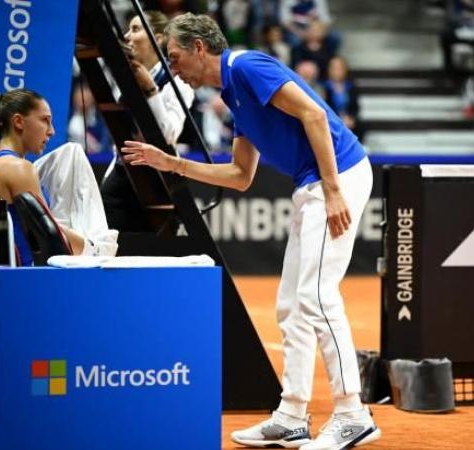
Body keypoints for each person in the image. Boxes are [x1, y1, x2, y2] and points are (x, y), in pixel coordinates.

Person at [121, 12, 380, 450]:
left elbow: (315, 115)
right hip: (312, 185)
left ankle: (353, 413)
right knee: (290, 306)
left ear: (200, 48)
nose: (173, 66)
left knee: (317, 296)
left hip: (338, 177)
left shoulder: (246, 67)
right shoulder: (234, 92)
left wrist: (334, 190)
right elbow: (241, 175)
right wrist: (172, 164)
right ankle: (292, 416)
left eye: (176, 55)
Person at [0, 89, 116, 266]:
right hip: (30, 274)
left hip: (16, 273)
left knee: (70, 152)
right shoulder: (19, 169)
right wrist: (94, 249)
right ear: (18, 121)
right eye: (45, 120)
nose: (51, 131)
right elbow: (52, 239)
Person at [102, 10, 195, 231]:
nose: (127, 36)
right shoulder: (125, 77)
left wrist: (152, 92)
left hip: (159, 179)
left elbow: (168, 135)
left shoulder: (178, 82)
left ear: (158, 38)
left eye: (135, 29)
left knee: (158, 252)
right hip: (124, 172)